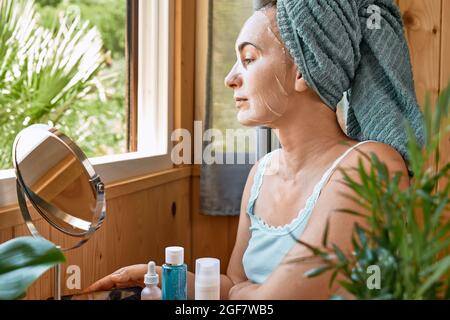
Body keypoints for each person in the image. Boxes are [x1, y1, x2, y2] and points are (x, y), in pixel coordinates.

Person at [85, 0, 423, 299]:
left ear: (303, 71)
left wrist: (244, 293)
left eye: (249, 58)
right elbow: (236, 284)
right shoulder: (261, 173)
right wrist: (165, 279)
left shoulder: (371, 165)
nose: (230, 78)